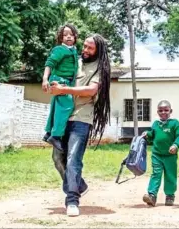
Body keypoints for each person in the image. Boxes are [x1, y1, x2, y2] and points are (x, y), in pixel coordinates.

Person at [47, 34, 111, 217]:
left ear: (98, 50)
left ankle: (72, 200)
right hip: (62, 117)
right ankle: (79, 184)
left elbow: (91, 90)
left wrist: (64, 90)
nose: (85, 50)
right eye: (84, 46)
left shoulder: (100, 68)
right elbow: (57, 72)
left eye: (90, 48)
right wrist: (52, 82)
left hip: (82, 118)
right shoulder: (74, 61)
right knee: (58, 158)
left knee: (73, 158)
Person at [42, 24, 79, 152]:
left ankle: (48, 132)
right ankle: (56, 135)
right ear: (61, 38)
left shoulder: (73, 50)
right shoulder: (59, 50)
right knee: (67, 105)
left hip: (67, 81)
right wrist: (45, 79)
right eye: (65, 34)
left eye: (71, 34)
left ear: (75, 36)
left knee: (56, 106)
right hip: (59, 81)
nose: (68, 36)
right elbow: (49, 63)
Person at [141, 100, 179, 207]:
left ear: (171, 111)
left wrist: (175, 145)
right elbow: (152, 136)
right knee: (156, 174)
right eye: (160, 110)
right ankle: (152, 195)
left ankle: (170, 196)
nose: (163, 112)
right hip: (157, 155)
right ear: (157, 112)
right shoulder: (156, 124)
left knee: (170, 175)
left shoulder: (175, 123)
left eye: (166, 110)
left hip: (170, 156)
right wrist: (147, 134)